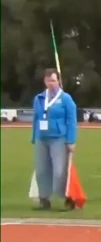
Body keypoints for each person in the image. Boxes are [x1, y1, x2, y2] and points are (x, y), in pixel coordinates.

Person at [31, 68, 78, 210]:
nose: (51, 83)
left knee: (59, 171)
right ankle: (44, 199)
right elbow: (36, 118)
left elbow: (71, 120)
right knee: (41, 170)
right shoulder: (39, 98)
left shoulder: (65, 98)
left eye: (53, 80)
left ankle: (68, 198)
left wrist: (71, 140)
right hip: (42, 138)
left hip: (59, 138)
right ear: (44, 81)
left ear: (58, 81)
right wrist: (34, 136)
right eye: (48, 80)